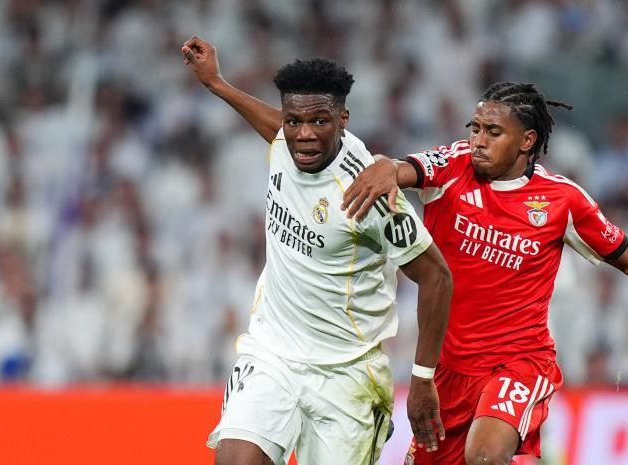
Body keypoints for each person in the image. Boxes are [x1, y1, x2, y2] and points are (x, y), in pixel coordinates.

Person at [340, 81, 628, 465]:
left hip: (519, 362)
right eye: (475, 129)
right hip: (448, 371)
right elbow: (402, 168)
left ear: (526, 141)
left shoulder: (562, 201)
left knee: (484, 456)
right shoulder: (453, 165)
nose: (478, 141)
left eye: (493, 132)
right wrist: (385, 168)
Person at [181, 37, 452, 465]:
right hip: (272, 352)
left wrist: (422, 378)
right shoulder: (285, 144)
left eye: (319, 122)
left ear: (343, 119)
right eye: (294, 121)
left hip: (346, 373)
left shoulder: (368, 190)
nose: (304, 135)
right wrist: (217, 84)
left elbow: (436, 276)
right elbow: (276, 127)